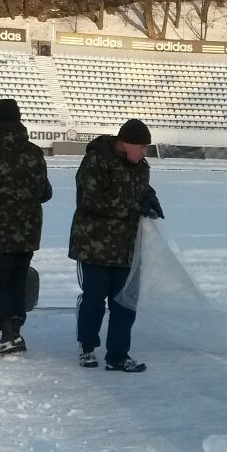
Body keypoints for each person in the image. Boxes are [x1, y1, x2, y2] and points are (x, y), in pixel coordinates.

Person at [68, 118, 163, 372]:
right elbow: (90, 200)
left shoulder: (140, 166)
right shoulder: (96, 161)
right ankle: (87, 347)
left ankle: (118, 355)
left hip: (127, 248)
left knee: (125, 303)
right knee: (93, 301)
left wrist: (150, 197)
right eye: (141, 147)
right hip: (94, 246)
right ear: (125, 143)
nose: (144, 152)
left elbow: (138, 189)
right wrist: (133, 206)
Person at [0, 98, 53, 356]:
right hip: (28, 231)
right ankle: (14, 329)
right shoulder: (34, 152)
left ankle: (8, 333)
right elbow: (45, 192)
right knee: (16, 281)